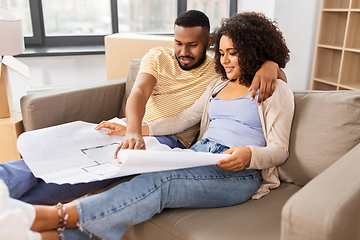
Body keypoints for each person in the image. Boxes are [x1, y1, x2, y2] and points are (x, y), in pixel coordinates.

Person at [31, 12, 294, 240]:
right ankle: (64, 235)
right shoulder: (218, 84)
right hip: (199, 155)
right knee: (136, 170)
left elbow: (280, 149)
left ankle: (59, 216)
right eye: (222, 53)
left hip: (239, 172)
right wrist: (136, 129)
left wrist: (250, 155)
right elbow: (185, 118)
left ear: (251, 52)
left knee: (161, 182)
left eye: (233, 53)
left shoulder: (274, 90)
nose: (224, 60)